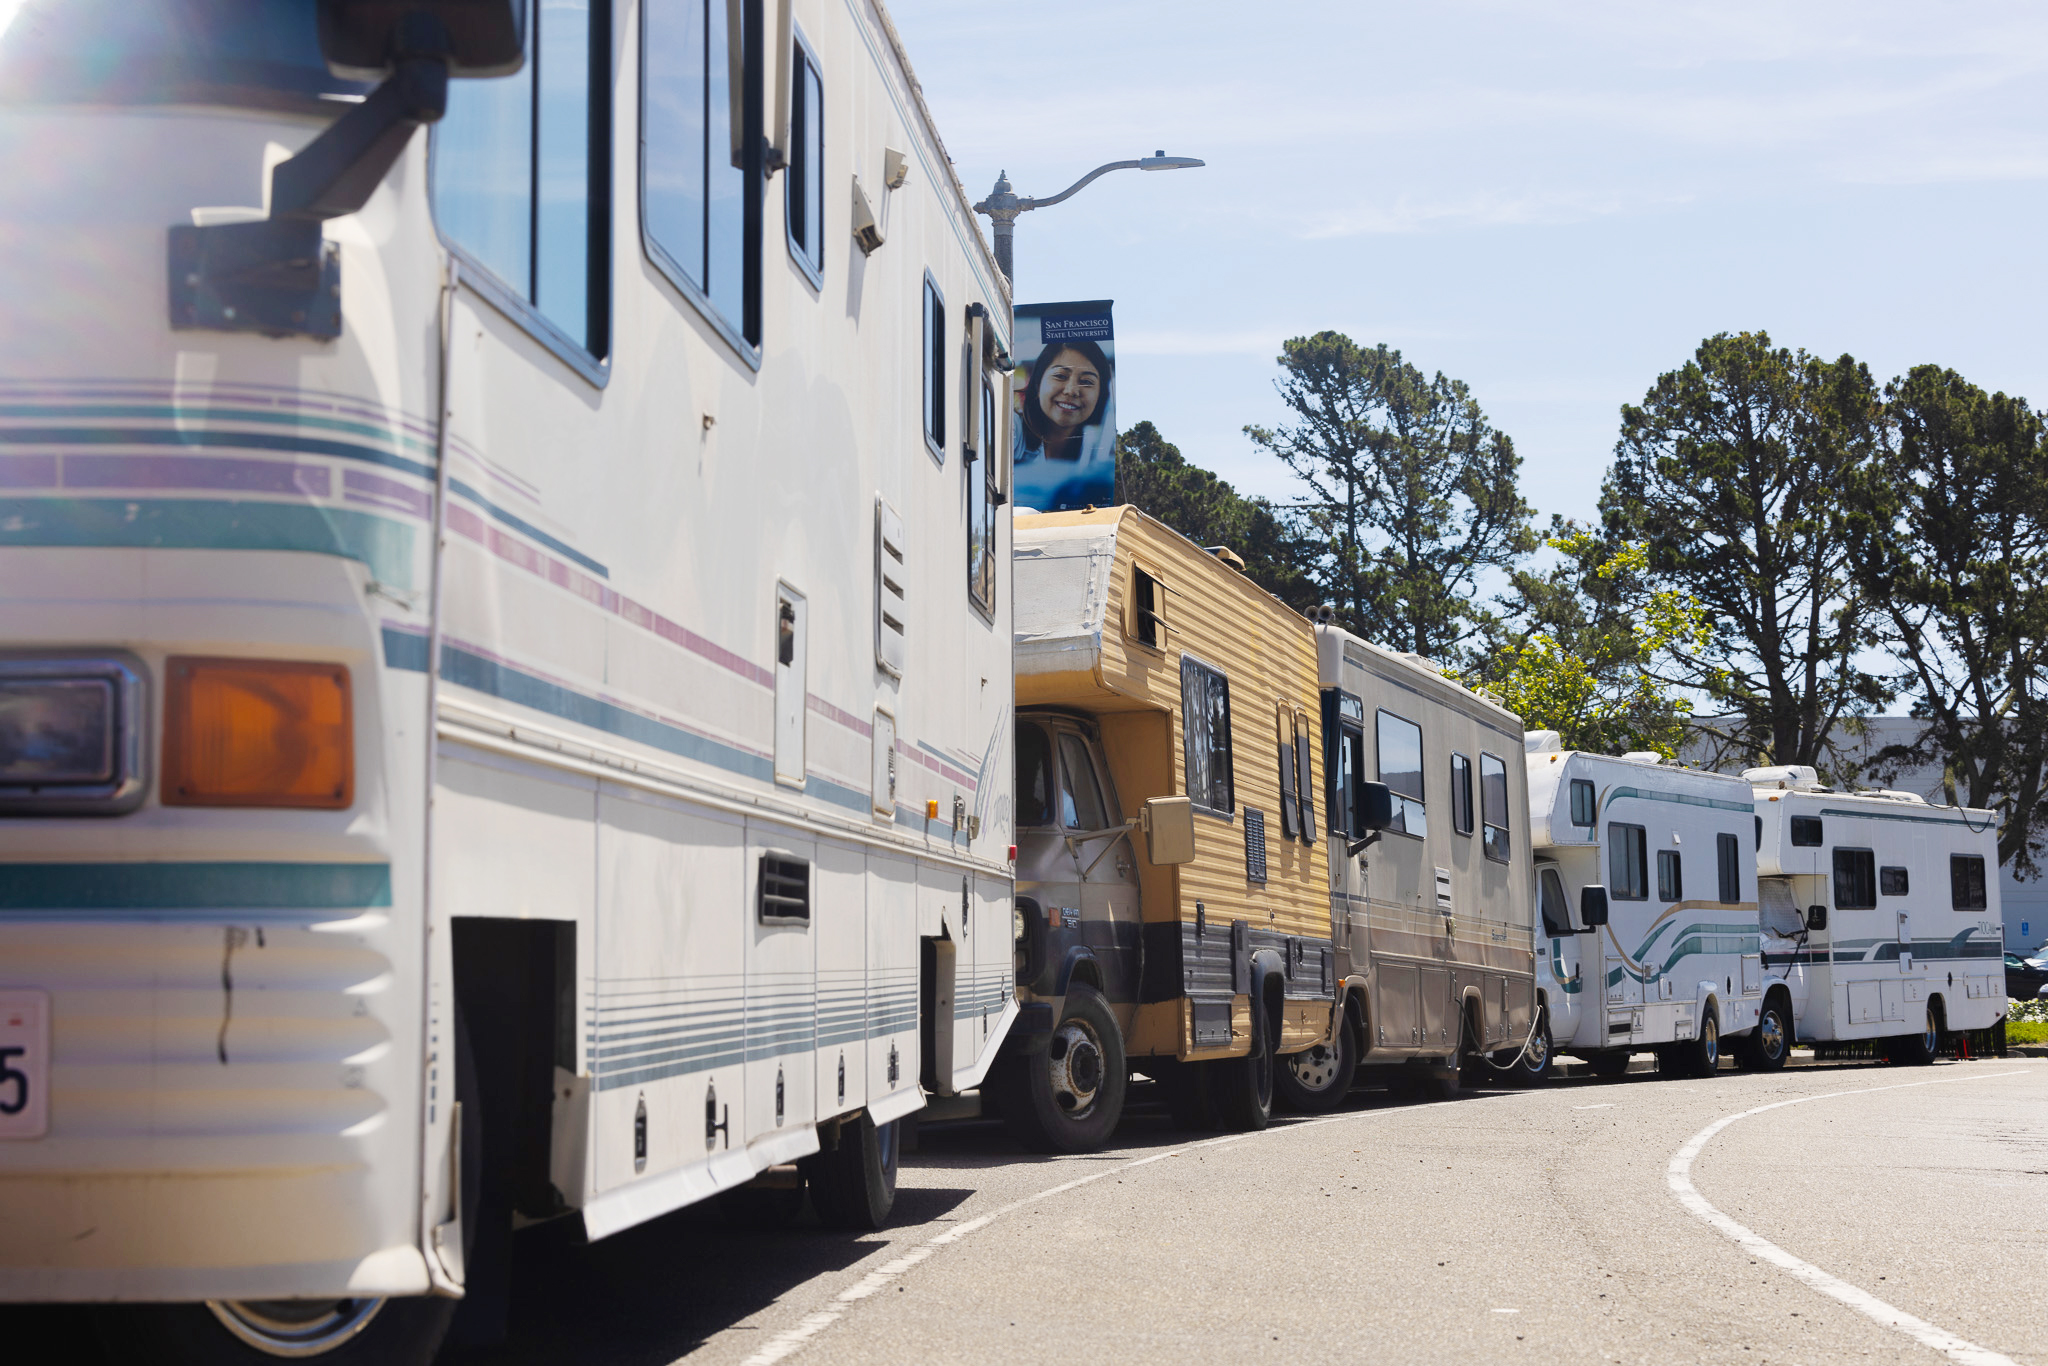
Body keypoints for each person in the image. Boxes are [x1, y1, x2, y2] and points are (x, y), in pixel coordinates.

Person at [1014, 338, 1113, 466]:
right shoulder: (1013, 429)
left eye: (1086, 381)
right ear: (1038, 383)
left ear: (1100, 396)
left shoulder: (1099, 452)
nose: (1071, 391)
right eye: (1060, 376)